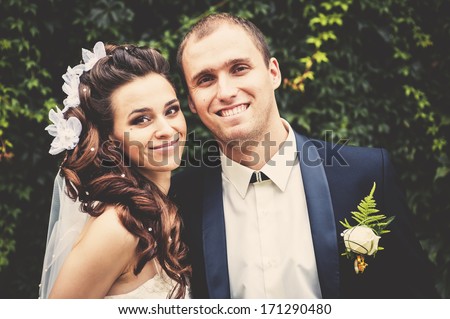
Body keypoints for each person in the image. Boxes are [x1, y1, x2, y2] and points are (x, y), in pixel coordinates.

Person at [171, 12, 438, 298]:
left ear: (273, 72)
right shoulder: (178, 202)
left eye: (239, 68)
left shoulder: (367, 174)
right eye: (206, 79)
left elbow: (417, 300)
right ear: (191, 102)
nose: (225, 91)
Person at [39, 41, 190, 298]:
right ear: (110, 138)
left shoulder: (158, 211)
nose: (166, 129)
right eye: (141, 119)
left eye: (171, 110)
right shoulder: (117, 228)